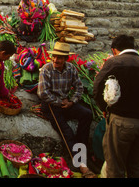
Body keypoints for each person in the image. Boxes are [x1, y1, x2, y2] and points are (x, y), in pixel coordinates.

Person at [93, 35, 139, 178]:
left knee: (115, 167)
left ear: (114, 50)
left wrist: (105, 109)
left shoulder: (115, 62)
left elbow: (97, 89)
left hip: (122, 122)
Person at [37, 42, 96, 178]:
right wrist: (59, 102)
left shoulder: (71, 68)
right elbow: (43, 93)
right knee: (66, 131)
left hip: (66, 103)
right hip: (51, 104)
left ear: (66, 59)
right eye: (55, 57)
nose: (56, 60)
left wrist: (72, 102)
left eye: (60, 58)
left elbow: (79, 88)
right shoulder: (46, 69)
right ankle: (82, 165)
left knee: (87, 114)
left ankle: (81, 148)